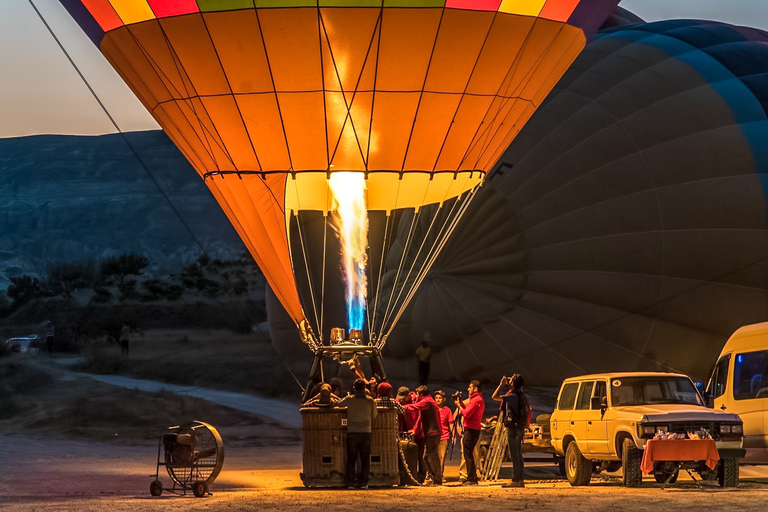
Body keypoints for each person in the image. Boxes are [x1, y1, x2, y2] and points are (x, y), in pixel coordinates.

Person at [336, 379, 378, 489]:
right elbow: (374, 416)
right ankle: (364, 483)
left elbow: (338, 404)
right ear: (365, 388)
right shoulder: (370, 401)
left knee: (351, 458)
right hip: (366, 432)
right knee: (365, 459)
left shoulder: (349, 399)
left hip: (352, 432)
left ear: (354, 388)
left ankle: (350, 483)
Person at [493, 374, 528, 488]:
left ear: (513, 383)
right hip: (520, 427)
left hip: (513, 427)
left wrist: (501, 384)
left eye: (511, 380)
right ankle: (520, 480)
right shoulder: (522, 396)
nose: (509, 380)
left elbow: (494, 396)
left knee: (514, 454)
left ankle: (515, 479)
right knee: (519, 454)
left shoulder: (511, 396)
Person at [404, 385, 443, 485]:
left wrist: (402, 407)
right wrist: (416, 430)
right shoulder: (428, 401)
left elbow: (414, 407)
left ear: (421, 394)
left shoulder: (427, 401)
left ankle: (437, 479)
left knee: (432, 456)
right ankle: (434, 478)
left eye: (417, 394)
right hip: (431, 432)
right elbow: (421, 418)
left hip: (433, 433)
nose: (416, 396)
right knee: (426, 457)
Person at [455, 380, 484, 485]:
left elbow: (466, 414)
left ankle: (472, 478)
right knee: (468, 453)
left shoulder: (476, 400)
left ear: (475, 389)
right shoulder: (476, 399)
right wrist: (461, 403)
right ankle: (471, 477)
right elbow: (467, 409)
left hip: (471, 430)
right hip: (473, 429)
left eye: (470, 387)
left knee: (468, 454)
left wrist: (459, 405)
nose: (468, 389)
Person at [434, 390, 453, 471]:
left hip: (444, 436)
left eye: (440, 398)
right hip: (433, 436)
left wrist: (454, 435)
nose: (438, 400)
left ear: (444, 399)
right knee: (432, 457)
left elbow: (451, 423)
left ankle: (440, 475)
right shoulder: (432, 409)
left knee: (442, 457)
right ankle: (431, 475)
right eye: (436, 398)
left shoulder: (447, 410)